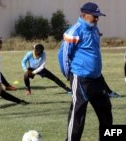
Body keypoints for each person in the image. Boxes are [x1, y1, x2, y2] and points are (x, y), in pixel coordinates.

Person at [58, 2, 112, 141]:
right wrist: (69, 75)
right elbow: (63, 55)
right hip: (81, 78)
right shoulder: (74, 31)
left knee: (106, 109)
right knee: (78, 115)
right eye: (95, 16)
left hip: (97, 78)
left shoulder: (94, 28)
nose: (97, 19)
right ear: (85, 15)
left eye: (98, 16)